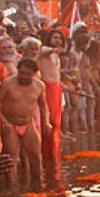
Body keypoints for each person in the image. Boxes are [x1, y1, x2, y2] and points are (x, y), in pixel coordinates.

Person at [0, 59, 50, 182]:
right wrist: (4, 121)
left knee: (36, 157)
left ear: (34, 74)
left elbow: (43, 105)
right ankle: (11, 189)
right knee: (11, 159)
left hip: (28, 124)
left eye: (27, 74)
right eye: (21, 73)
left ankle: (37, 184)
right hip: (11, 125)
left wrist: (46, 122)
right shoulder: (7, 83)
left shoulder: (39, 85)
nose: (23, 76)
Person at [38, 28, 66, 158]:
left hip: (56, 88)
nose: (57, 40)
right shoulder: (44, 51)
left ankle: (55, 151)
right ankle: (47, 152)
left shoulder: (55, 55)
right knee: (50, 121)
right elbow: (41, 50)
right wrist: (54, 50)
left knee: (56, 122)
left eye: (59, 38)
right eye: (54, 38)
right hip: (47, 88)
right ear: (48, 38)